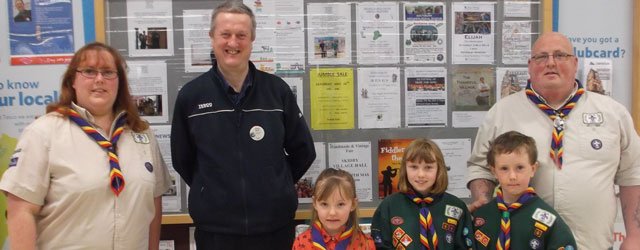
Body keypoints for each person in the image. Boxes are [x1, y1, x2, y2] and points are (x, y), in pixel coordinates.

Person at [467, 32, 640, 249]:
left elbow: (633, 174)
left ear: (575, 62)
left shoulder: (612, 112)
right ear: (530, 65)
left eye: (560, 55)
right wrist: (484, 201)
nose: (550, 63)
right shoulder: (502, 113)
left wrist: (634, 236)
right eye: (541, 57)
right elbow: (480, 167)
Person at [170, 1, 316, 249]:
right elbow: (182, 160)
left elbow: (304, 151)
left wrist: (273, 184)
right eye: (225, 34)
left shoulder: (277, 91)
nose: (233, 43)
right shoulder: (191, 96)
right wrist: (212, 189)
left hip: (274, 229)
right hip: (215, 231)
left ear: (252, 39)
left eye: (241, 35)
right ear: (212, 37)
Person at [0, 42, 171, 249]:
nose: (99, 79)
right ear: (72, 80)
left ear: (120, 82)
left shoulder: (142, 134)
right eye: (89, 71)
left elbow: (153, 203)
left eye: (108, 72)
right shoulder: (43, 133)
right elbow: (21, 210)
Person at [472, 131, 576, 249]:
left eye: (520, 168)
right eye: (504, 168)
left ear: (533, 169)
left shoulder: (549, 221)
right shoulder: (481, 216)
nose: (512, 176)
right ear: (494, 171)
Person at [371, 138, 475, 249]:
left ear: (439, 169)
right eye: (414, 167)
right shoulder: (389, 206)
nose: (421, 174)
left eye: (428, 167)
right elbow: (380, 246)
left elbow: (466, 246)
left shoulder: (456, 206)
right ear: (405, 169)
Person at [292, 168, 375, 249]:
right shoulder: (301, 243)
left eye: (340, 204)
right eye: (324, 204)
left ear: (353, 204)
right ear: (315, 203)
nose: (332, 212)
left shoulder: (366, 244)